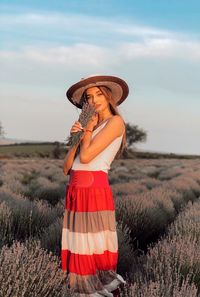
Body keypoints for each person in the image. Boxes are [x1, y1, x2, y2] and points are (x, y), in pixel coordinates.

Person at [61, 75, 129, 296]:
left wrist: (87, 131)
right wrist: (78, 137)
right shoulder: (91, 126)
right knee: (79, 247)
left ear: (109, 97)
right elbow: (67, 167)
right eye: (89, 97)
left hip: (93, 190)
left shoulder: (115, 123)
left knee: (92, 248)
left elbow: (88, 157)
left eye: (99, 94)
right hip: (76, 190)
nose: (95, 100)